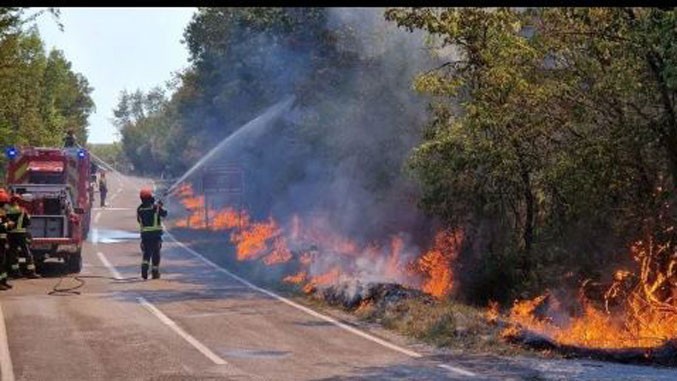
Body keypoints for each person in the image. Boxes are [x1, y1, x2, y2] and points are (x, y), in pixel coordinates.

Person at [5, 194, 39, 279]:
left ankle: (16, 273)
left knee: (13, 254)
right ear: (18, 201)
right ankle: (31, 272)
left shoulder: (7, 210)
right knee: (27, 253)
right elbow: (28, 222)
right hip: (21, 235)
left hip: (11, 235)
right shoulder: (22, 210)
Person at [137, 188, 167, 279]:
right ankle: (155, 272)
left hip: (145, 235)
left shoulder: (140, 209)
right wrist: (160, 206)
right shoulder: (155, 207)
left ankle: (144, 266)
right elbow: (164, 214)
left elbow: (139, 220)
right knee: (156, 253)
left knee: (146, 252)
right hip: (156, 235)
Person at [0, 190, 14, 290]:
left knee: (3, 262)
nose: (6, 204)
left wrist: (8, 223)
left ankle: (3, 281)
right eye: (4, 202)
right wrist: (7, 224)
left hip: (3, 241)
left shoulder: (2, 212)